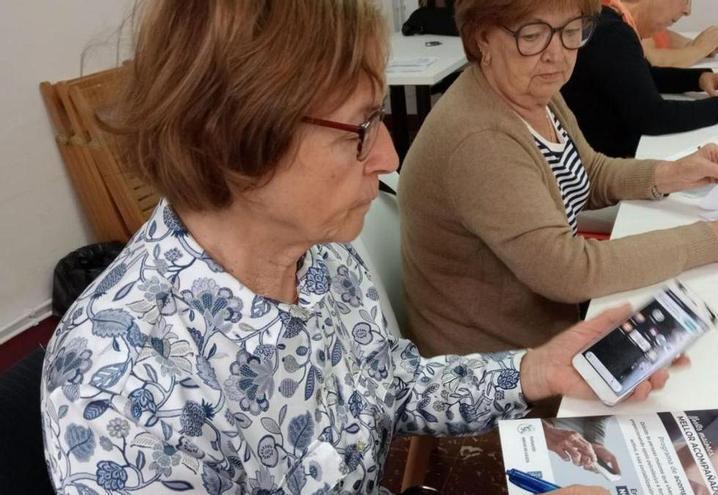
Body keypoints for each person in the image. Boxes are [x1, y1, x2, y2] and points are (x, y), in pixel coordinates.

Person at [39, 2, 671, 494]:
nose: (389, 157)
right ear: (233, 139)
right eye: (362, 129)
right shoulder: (118, 384)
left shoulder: (319, 254)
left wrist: (533, 369)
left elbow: (385, 383)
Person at [398, 0, 718, 357]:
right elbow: (568, 272)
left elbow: (588, 172)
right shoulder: (481, 140)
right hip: (499, 357)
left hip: (544, 321)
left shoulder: (532, 89)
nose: (557, 55)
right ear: (482, 37)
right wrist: (713, 240)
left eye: (571, 32)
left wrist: (672, 173)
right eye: (532, 35)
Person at [560, 0, 718, 158]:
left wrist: (699, 79)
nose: (688, 11)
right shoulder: (612, 33)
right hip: (607, 169)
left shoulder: (610, 22)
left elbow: (641, 75)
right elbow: (652, 116)